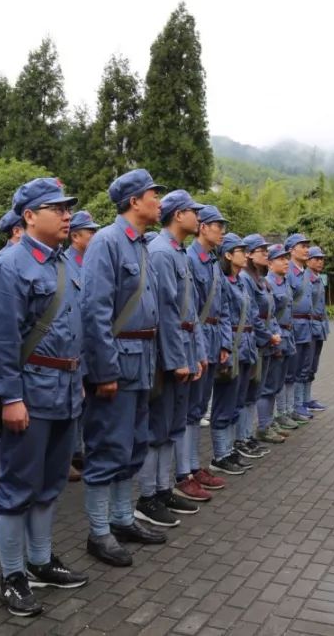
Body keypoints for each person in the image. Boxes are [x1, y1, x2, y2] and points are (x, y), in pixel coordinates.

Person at [0, 178, 89, 617]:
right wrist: (9, 397)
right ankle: (12, 575)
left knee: (50, 483)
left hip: (66, 390)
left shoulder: (65, 263)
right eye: (56, 208)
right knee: (17, 487)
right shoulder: (10, 264)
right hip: (30, 391)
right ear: (29, 216)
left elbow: (76, 326)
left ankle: (40, 561)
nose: (67, 215)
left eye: (68, 208)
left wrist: (79, 376)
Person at [81, 168, 167, 567]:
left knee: (132, 445)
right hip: (118, 362)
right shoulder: (107, 241)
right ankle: (99, 532)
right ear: (134, 201)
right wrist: (105, 371)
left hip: (142, 360)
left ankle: (121, 518)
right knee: (107, 446)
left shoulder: (141, 244)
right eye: (153, 195)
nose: (159, 202)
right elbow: (95, 310)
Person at [137, 190, 207, 528]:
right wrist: (177, 359)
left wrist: (198, 354)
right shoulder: (162, 253)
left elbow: (190, 311)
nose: (199, 217)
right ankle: (147, 496)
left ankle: (163, 489)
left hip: (185, 349)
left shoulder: (177, 252)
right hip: (169, 355)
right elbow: (165, 313)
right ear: (178, 215)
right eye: (194, 211)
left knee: (172, 427)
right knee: (158, 427)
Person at [180, 206, 231, 492]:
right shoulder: (189, 259)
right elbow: (190, 310)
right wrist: (198, 348)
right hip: (196, 341)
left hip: (212, 340)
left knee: (199, 407)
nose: (222, 231)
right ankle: (185, 471)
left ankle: (193, 465)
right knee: (190, 410)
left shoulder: (212, 262)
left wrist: (224, 343)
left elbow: (222, 308)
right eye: (217, 225)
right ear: (202, 227)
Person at [208, 233, 256, 475]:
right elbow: (222, 316)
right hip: (231, 347)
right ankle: (220, 455)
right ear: (227, 255)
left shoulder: (240, 281)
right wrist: (226, 347)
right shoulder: (223, 281)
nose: (246, 255)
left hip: (245, 347)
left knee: (236, 401)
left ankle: (229, 449)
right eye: (240, 251)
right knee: (224, 403)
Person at [62, 209, 100, 482]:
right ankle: (69, 455)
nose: (95, 236)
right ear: (76, 236)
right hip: (74, 346)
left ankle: (79, 451)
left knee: (85, 404)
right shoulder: (66, 264)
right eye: (90, 232)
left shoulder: (90, 263)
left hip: (89, 345)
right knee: (72, 403)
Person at [240, 234, 282, 450]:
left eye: (267, 251)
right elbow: (252, 314)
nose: (266, 254)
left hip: (265, 341)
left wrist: (274, 333)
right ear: (248, 254)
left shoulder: (260, 279)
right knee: (248, 392)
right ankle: (243, 437)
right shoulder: (246, 278)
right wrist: (268, 335)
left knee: (256, 391)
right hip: (255, 342)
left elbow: (271, 312)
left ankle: (248, 435)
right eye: (261, 251)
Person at [263, 244, 298, 436]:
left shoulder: (284, 282)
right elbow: (268, 316)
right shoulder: (268, 283)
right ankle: (265, 424)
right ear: (270, 263)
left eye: (287, 258)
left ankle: (272, 420)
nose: (286, 262)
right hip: (276, 338)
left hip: (287, 336)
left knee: (278, 383)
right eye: (281, 259)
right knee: (270, 384)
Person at [284, 233, 315, 423]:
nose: (306, 249)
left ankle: (297, 405)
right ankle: (288, 409)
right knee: (290, 370)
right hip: (294, 325)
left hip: (306, 326)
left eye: (307, 246)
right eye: (302, 246)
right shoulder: (287, 271)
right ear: (291, 250)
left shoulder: (305, 273)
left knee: (302, 368)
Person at [303, 246, 329, 412]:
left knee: (313, 365)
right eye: (316, 259)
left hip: (319, 327)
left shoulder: (318, 278)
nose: (320, 262)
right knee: (305, 365)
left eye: (322, 259)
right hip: (309, 327)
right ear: (307, 261)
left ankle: (307, 398)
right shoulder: (305, 278)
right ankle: (301, 401)